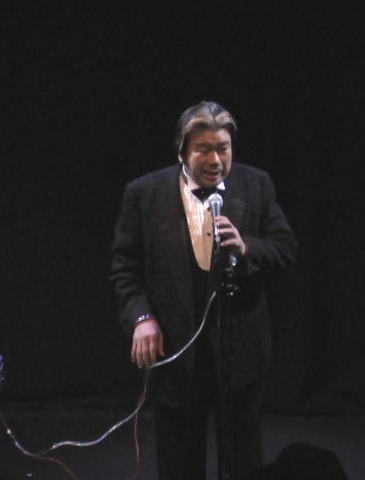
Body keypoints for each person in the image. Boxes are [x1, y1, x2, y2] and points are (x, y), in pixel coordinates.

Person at [110, 100, 298, 479]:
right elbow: (125, 267)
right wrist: (141, 318)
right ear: (182, 150)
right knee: (179, 464)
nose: (215, 160)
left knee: (243, 464)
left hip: (240, 355)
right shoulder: (144, 193)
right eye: (204, 149)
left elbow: (285, 248)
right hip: (176, 355)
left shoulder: (256, 184)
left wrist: (247, 248)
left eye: (223, 148)